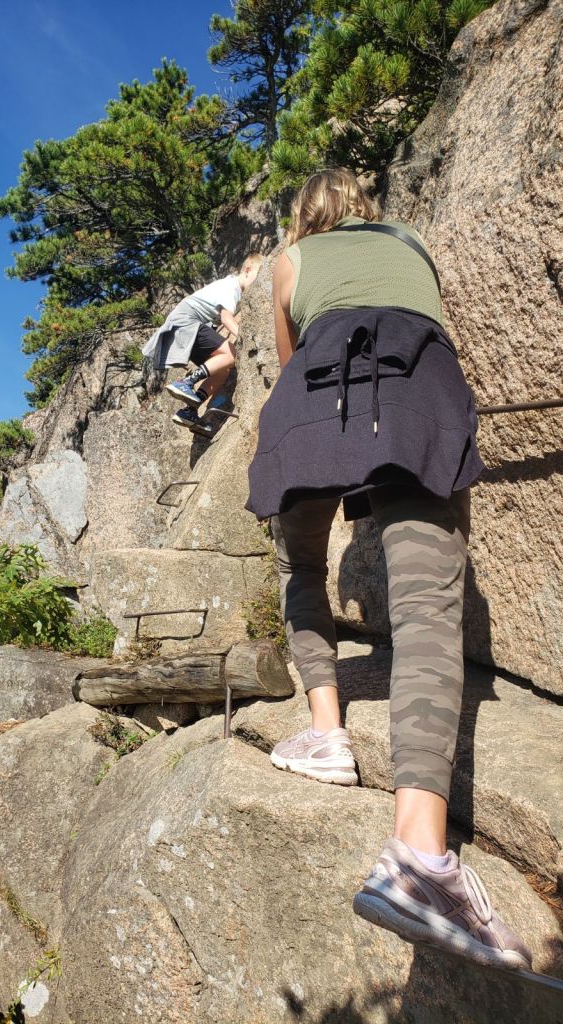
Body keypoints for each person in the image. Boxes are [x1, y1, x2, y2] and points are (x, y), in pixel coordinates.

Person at [246, 167, 532, 971]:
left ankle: (327, 733)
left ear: (305, 216)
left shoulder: (290, 261)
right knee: (427, 608)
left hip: (314, 399)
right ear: (365, 208)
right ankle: (419, 853)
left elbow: (293, 359)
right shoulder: (410, 244)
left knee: (302, 564)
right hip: (414, 392)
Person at [142, 255, 262, 437]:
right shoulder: (231, 287)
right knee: (232, 354)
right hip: (187, 321)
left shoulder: (229, 287)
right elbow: (226, 318)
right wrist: (247, 339)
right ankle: (186, 382)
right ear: (247, 270)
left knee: (223, 369)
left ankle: (189, 410)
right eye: (257, 276)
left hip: (185, 325)